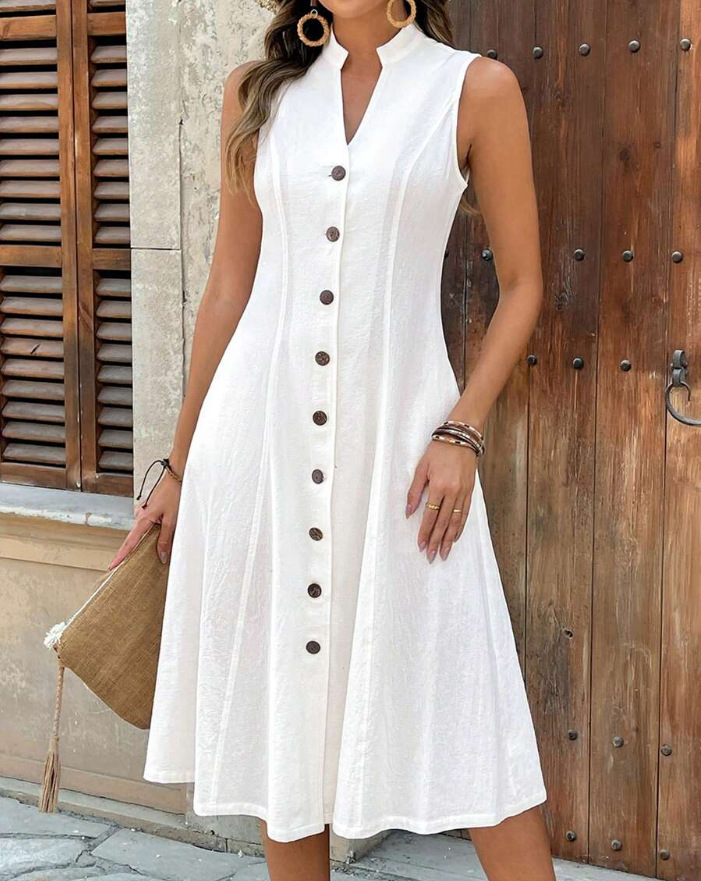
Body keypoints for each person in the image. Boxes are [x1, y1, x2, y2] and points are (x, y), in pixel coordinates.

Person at [110, 2, 555, 879]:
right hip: (259, 448)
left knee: (469, 710)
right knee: (286, 728)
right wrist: (180, 466)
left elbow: (524, 284)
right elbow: (228, 285)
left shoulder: (473, 89)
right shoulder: (256, 91)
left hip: (404, 452)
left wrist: (462, 429)